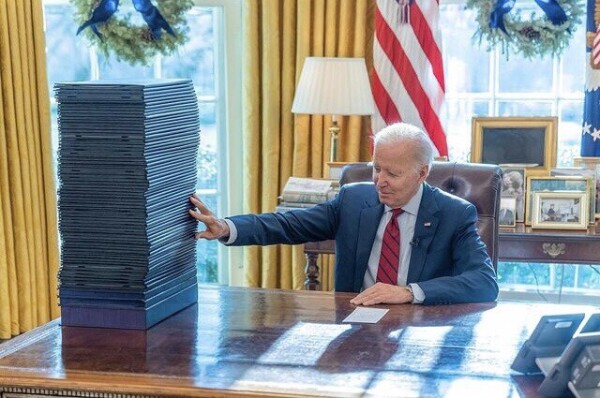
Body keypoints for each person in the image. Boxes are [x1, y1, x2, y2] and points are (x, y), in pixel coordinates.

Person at [189, 122, 499, 305]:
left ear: (421, 173)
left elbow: (484, 282)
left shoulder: (454, 214)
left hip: (419, 327)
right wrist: (227, 227)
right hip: (355, 323)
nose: (380, 180)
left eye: (392, 173)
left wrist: (408, 293)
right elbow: (288, 224)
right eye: (376, 168)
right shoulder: (354, 200)